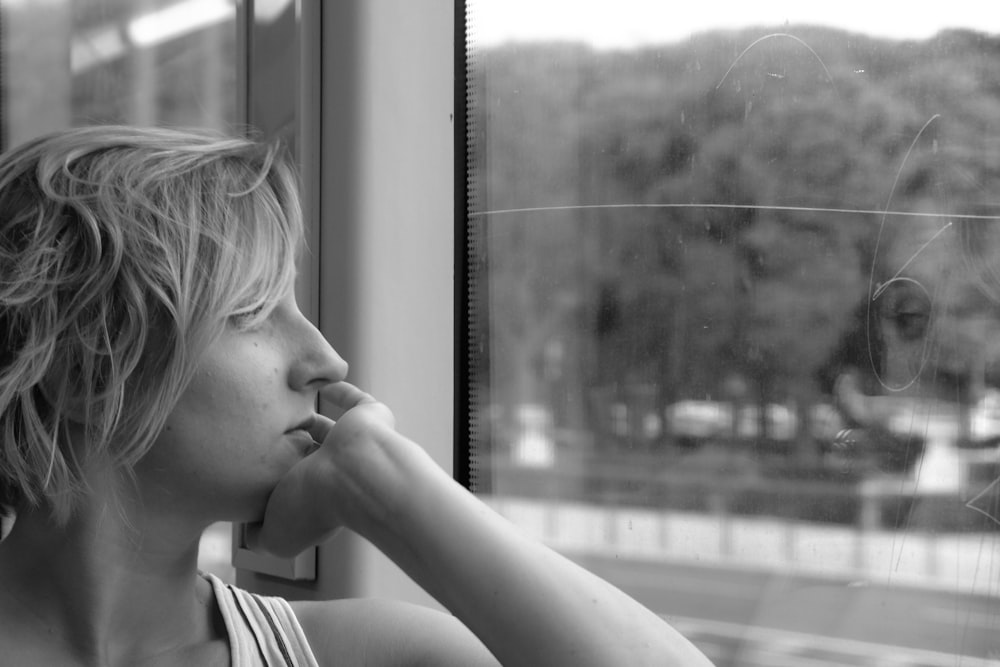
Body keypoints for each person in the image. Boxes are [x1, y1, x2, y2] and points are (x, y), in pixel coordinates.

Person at [0, 125, 714, 666]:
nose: (326, 359)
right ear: (89, 373)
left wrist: (385, 481)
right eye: (251, 311)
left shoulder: (358, 656)